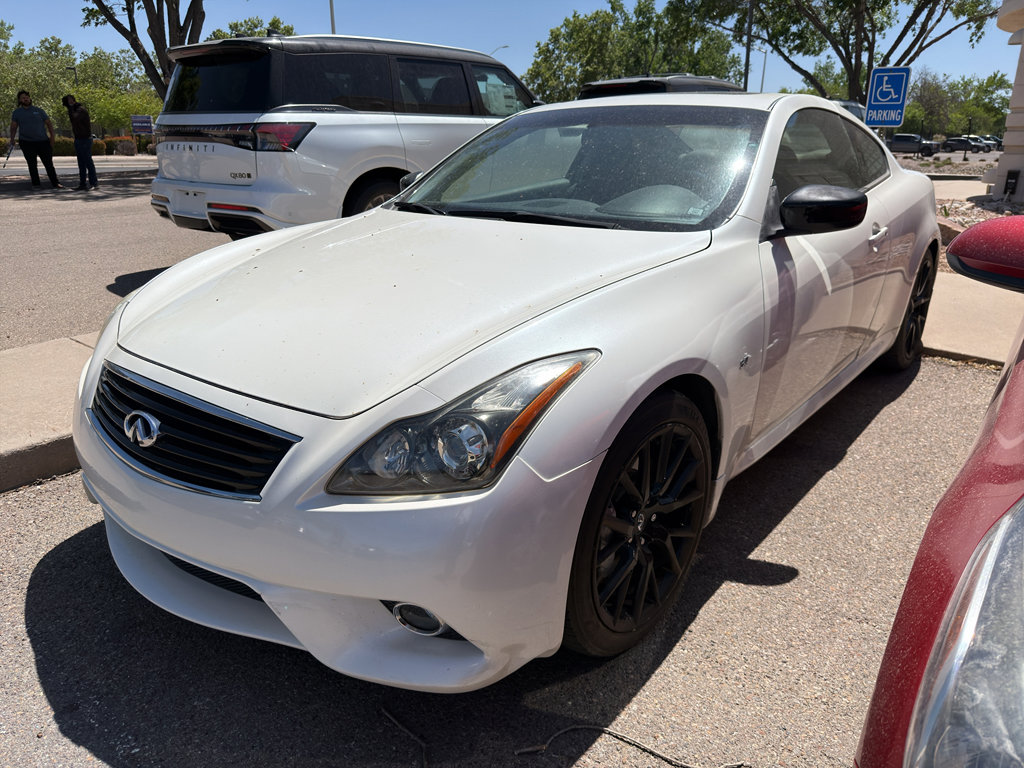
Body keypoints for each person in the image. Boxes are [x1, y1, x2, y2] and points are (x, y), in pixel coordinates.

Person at [9, 90, 63, 190]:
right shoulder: (17, 113)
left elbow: (49, 124)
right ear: (20, 100)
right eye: (22, 97)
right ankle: (36, 184)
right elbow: (13, 127)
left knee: (48, 163)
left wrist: (52, 136)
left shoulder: (39, 110)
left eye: (26, 96)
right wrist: (12, 138)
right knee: (32, 164)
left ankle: (55, 183)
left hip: (43, 141)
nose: (25, 98)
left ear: (29, 98)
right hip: (26, 142)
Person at [62, 94, 98, 190]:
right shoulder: (73, 110)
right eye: (67, 101)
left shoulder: (80, 109)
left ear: (74, 100)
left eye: (70, 100)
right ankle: (83, 184)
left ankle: (93, 183)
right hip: (78, 139)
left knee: (87, 161)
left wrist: (70, 108)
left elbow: (75, 118)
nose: (69, 102)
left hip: (85, 139)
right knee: (81, 163)